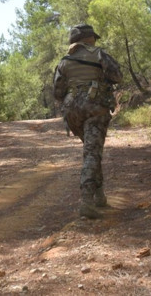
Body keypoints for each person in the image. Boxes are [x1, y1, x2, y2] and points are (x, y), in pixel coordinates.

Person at [53, 24, 123, 219]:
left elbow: (57, 93)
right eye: (94, 37)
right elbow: (117, 76)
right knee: (92, 153)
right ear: (89, 39)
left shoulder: (64, 62)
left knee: (92, 150)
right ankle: (86, 201)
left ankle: (99, 196)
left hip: (73, 113)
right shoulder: (99, 54)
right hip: (95, 109)